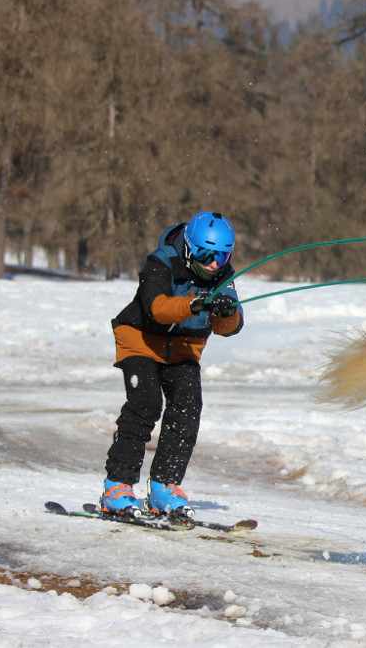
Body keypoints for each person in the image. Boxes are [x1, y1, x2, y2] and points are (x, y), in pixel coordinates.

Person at [100, 211, 244, 518]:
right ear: (190, 248)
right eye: (207, 254)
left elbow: (229, 327)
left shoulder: (223, 275)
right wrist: (196, 303)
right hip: (141, 341)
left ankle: (165, 486)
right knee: (146, 402)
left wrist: (225, 311)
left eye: (223, 255)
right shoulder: (161, 261)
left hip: (182, 351)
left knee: (188, 405)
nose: (215, 263)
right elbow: (156, 310)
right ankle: (117, 486)